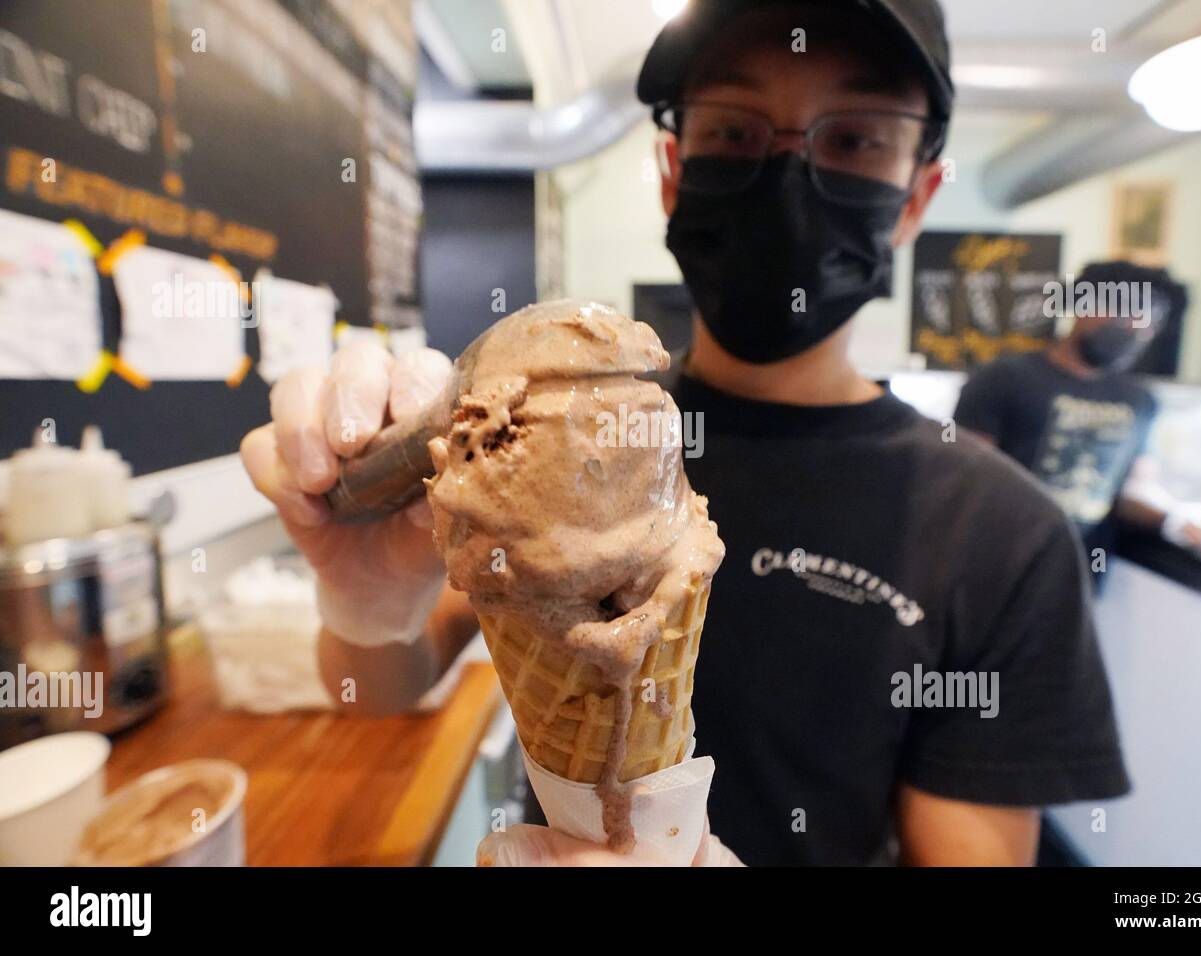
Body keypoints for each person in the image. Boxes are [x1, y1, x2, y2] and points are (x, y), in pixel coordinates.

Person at [241, 0, 1130, 867]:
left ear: (915, 196)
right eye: (738, 131)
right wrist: (365, 599)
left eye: (855, 137)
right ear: (673, 171)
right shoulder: (552, 437)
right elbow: (375, 693)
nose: (789, 172)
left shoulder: (1006, 537)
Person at [954, 261, 1201, 574]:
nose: (1136, 326)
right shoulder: (1002, 379)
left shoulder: (1141, 401)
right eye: (1127, 311)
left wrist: (1179, 523)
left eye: (1150, 319)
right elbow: (966, 479)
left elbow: (1131, 490)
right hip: (998, 566)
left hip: (1081, 570)